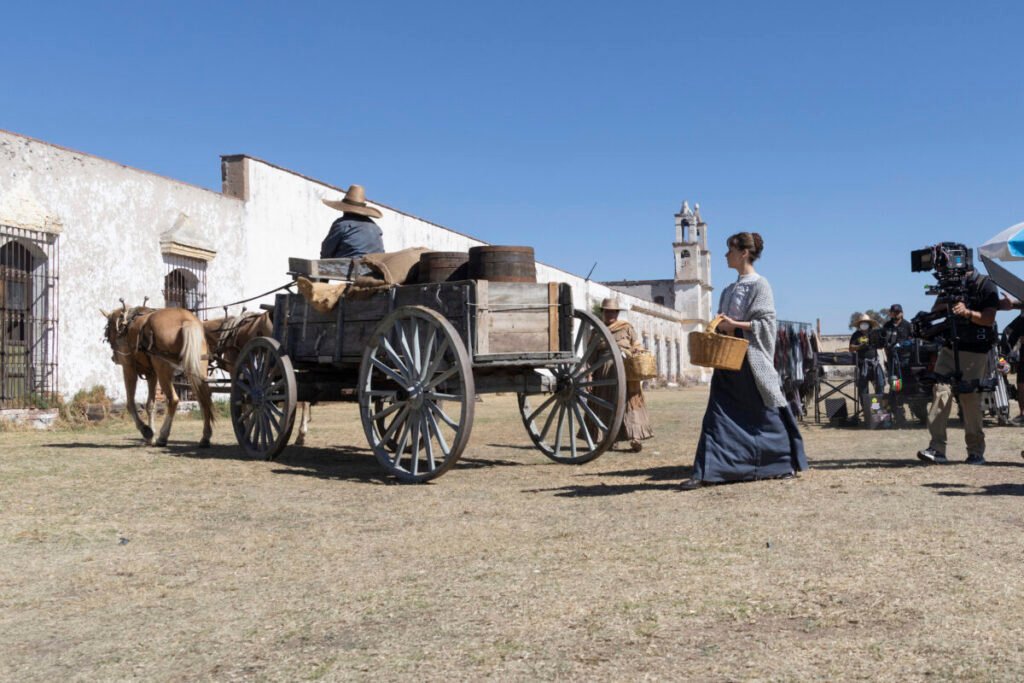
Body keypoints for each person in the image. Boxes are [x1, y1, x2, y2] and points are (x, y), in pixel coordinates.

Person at [681, 232, 809, 490]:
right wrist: (719, 327)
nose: (726, 255)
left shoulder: (761, 285)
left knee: (765, 415)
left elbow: (766, 324)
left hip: (751, 363)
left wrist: (734, 325)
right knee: (717, 417)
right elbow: (724, 323)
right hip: (728, 361)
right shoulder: (729, 289)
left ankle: (781, 464)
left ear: (744, 253)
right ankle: (707, 471)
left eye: (730, 250)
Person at [917, 268, 999, 465]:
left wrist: (967, 312)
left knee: (969, 398)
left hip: (975, 350)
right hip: (949, 347)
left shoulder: (985, 285)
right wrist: (945, 301)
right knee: (940, 391)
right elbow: (935, 311)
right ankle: (937, 448)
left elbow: (988, 319)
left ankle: (976, 452)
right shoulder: (949, 286)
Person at [596, 298, 653, 451]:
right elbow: (591, 354)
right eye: (607, 311)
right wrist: (588, 375)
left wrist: (637, 352)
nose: (610, 314)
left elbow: (637, 344)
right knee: (607, 403)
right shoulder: (597, 329)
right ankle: (609, 438)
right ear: (603, 313)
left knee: (630, 402)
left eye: (613, 311)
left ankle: (635, 437)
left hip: (626, 370)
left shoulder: (626, 327)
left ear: (617, 313)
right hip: (604, 373)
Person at [320, 184, 385, 259]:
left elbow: (326, 251)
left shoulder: (342, 224)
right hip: (375, 267)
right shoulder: (375, 227)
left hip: (346, 268)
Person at [849, 314, 885, 397]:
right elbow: (851, 348)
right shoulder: (856, 335)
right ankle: (866, 407)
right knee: (863, 389)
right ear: (859, 324)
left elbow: (880, 346)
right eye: (862, 322)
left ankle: (876, 406)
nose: (864, 324)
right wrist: (860, 346)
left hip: (875, 364)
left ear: (869, 323)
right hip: (862, 365)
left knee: (880, 384)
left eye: (866, 322)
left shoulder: (874, 333)